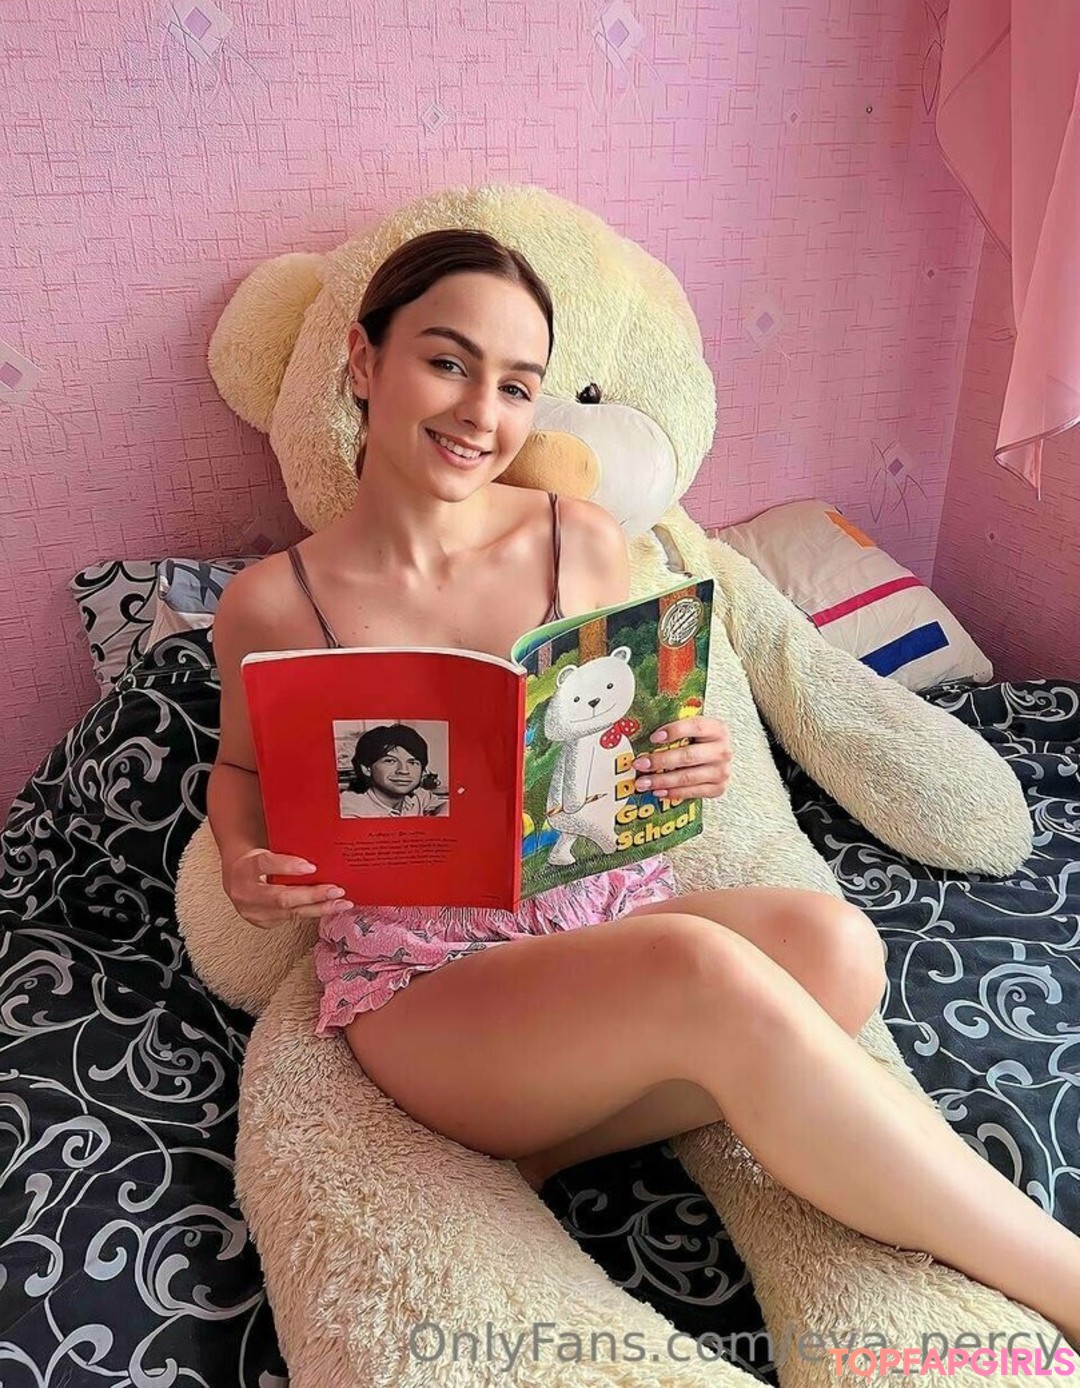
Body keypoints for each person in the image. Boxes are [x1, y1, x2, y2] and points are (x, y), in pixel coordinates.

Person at [205, 228, 1080, 1348]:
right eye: (447, 361)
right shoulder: (272, 604)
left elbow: (626, 730)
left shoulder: (580, 538)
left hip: (594, 921)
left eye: (515, 383)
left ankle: (552, 1140)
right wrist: (246, 859)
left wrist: (691, 758)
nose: (480, 411)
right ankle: (1057, 1274)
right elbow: (239, 774)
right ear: (364, 359)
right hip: (426, 986)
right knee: (703, 968)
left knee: (839, 947)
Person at [340, 722, 447, 818]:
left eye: (412, 762)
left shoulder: (419, 795)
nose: (403, 770)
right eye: (390, 761)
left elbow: (447, 806)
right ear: (366, 768)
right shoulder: (350, 808)